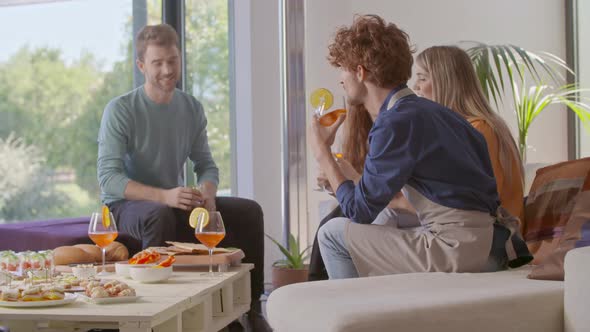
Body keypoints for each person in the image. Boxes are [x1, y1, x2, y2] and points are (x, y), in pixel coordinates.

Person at [97, 24, 270, 331]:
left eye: (172, 61)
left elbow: (206, 165)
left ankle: (250, 309)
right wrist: (165, 195)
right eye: (157, 63)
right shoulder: (121, 110)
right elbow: (108, 179)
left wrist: (208, 195)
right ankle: (156, 316)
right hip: (126, 207)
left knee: (248, 211)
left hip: (173, 201)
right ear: (141, 66)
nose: (167, 69)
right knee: (159, 215)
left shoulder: (191, 108)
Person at [310, 14, 504, 279]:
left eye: (343, 69)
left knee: (331, 234)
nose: (340, 80)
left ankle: (354, 315)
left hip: (453, 249)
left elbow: (359, 212)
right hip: (484, 244)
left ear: (360, 71)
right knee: (381, 221)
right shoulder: (441, 114)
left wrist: (323, 154)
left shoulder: (395, 122)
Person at [413, 45, 525, 221]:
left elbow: (472, 204)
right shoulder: (461, 129)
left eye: (422, 78)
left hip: (493, 235)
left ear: (445, 83)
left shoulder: (480, 130)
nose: (415, 87)